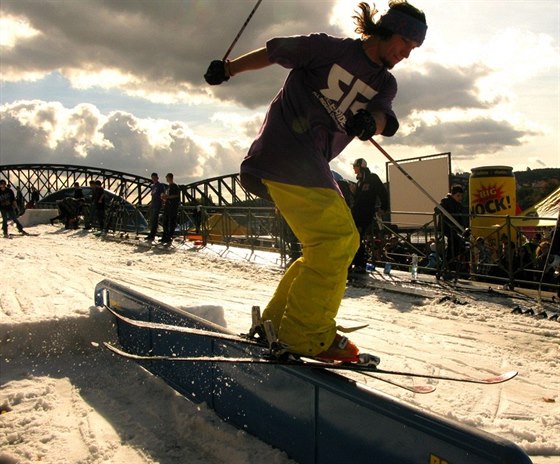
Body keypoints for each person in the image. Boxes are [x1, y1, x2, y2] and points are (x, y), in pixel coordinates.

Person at [204, 1, 427, 361]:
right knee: (338, 241)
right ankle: (306, 333)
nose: (405, 54)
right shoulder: (330, 49)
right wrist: (229, 68)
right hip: (285, 152)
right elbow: (275, 51)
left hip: (309, 165)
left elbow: (388, 119)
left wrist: (372, 124)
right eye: (404, 43)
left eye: (413, 50)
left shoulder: (384, 82)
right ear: (386, 31)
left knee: (328, 246)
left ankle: (277, 324)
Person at [349, 158, 388, 273]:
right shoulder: (359, 181)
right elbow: (359, 199)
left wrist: (383, 207)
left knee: (357, 236)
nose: (353, 168)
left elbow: (382, 192)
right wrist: (354, 193)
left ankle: (360, 262)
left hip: (365, 213)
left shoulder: (372, 178)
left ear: (360, 166)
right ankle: (357, 262)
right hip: (357, 213)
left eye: (355, 166)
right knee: (355, 237)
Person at [436, 184, 468, 268]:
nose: (460, 198)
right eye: (458, 196)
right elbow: (437, 209)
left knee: (459, 245)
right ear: (453, 195)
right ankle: (448, 265)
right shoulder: (446, 201)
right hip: (447, 228)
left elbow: (461, 217)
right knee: (453, 245)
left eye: (461, 196)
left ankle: (452, 264)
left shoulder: (459, 205)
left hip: (455, 229)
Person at [160, 173, 180, 245]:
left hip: (172, 207)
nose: (166, 178)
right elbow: (168, 196)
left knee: (171, 222)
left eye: (167, 177)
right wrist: (163, 197)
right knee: (165, 222)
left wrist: (166, 197)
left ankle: (169, 237)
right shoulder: (168, 187)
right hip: (167, 207)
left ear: (170, 177)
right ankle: (165, 236)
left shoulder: (174, 186)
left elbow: (176, 195)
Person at [146, 172, 166, 241]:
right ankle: (152, 234)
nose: (153, 179)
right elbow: (153, 196)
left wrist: (163, 202)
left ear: (157, 178)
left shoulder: (160, 185)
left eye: (154, 178)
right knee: (152, 220)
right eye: (152, 178)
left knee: (154, 219)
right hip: (153, 204)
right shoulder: (153, 186)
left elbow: (162, 194)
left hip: (157, 204)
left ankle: (152, 235)